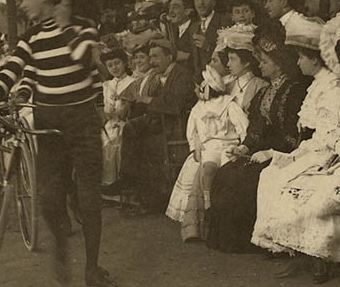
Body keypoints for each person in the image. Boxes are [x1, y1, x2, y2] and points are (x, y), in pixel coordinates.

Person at [0, 0, 116, 287]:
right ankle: (62, 247)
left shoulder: (83, 27)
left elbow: (83, 60)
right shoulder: (31, 37)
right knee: (49, 197)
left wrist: (65, 26)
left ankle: (92, 268)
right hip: (48, 124)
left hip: (82, 124)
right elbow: (14, 67)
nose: (23, 4)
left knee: (89, 198)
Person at [252, 13, 340, 282]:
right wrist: (306, 152)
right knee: (283, 179)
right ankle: (297, 251)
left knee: (324, 190)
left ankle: (321, 256)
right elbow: (325, 130)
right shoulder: (336, 90)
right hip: (331, 152)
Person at [205, 42, 310, 253]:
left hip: (284, 153)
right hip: (260, 152)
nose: (260, 65)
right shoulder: (264, 93)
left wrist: (270, 152)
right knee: (225, 172)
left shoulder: (295, 92)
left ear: (279, 65)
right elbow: (255, 128)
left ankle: (244, 242)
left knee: (243, 180)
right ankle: (225, 240)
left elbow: (294, 135)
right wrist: (244, 148)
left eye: (264, 61)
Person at [166, 63, 249, 243]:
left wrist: (242, 145)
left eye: (198, 88)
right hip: (208, 146)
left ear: (207, 88)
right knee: (208, 168)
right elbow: (192, 132)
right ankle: (207, 202)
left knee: (228, 170)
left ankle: (223, 214)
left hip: (228, 145)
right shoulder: (198, 108)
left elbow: (243, 127)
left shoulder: (229, 104)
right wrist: (194, 147)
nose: (196, 92)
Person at [118, 38, 196, 216]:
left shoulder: (181, 74)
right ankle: (128, 180)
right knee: (130, 128)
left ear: (170, 57)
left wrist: (148, 100)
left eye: (156, 56)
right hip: (159, 122)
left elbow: (176, 105)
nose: (151, 61)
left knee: (143, 144)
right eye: (150, 57)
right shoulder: (158, 75)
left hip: (174, 127)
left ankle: (148, 199)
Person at [101, 49, 135, 193]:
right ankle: (106, 185)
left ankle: (119, 184)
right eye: (110, 65)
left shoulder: (132, 82)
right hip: (109, 123)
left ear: (125, 63)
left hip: (124, 122)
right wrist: (107, 112)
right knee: (102, 142)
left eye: (117, 63)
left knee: (117, 143)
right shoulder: (107, 85)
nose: (114, 68)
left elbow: (128, 108)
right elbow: (105, 107)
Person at [189, 0, 230, 78]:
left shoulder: (225, 22)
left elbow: (230, 55)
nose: (201, 3)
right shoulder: (193, 27)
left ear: (214, 1)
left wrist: (208, 47)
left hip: (222, 79)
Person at [164, 0, 195, 67]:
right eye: (170, 7)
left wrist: (187, 56)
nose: (171, 11)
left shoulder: (197, 29)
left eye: (175, 7)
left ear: (187, 11)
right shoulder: (172, 30)